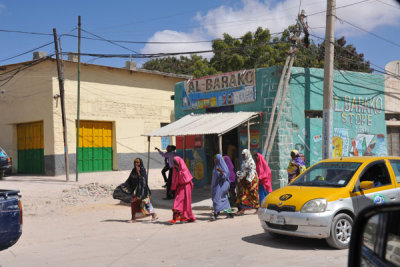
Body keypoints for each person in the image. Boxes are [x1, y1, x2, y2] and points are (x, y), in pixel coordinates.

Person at [126, 158, 158, 223]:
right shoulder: (133, 170)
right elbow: (130, 179)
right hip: (135, 190)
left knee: (146, 202)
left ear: (140, 163)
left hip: (143, 189)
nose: (136, 164)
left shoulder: (142, 170)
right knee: (133, 203)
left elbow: (143, 180)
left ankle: (154, 215)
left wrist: (138, 172)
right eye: (135, 162)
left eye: (138, 162)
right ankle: (133, 218)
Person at [168, 156, 196, 224]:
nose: (175, 164)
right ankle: (183, 217)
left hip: (186, 186)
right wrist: (172, 189)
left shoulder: (184, 169)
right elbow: (174, 180)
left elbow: (184, 179)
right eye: (174, 163)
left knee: (181, 203)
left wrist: (178, 171)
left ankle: (177, 218)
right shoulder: (175, 169)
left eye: (176, 162)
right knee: (179, 202)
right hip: (180, 187)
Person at [235, 149, 259, 215]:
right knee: (242, 193)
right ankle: (242, 209)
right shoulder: (244, 162)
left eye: (244, 155)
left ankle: (257, 208)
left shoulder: (251, 161)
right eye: (242, 155)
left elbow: (252, 171)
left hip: (251, 180)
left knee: (253, 193)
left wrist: (249, 179)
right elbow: (243, 170)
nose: (243, 156)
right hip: (244, 180)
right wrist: (239, 174)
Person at [210, 154, 233, 220]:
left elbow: (226, 175)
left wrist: (221, 172)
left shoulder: (223, 166)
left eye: (215, 159)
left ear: (218, 159)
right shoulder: (216, 166)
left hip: (222, 185)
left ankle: (216, 213)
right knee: (224, 198)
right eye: (214, 159)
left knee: (217, 198)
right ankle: (230, 213)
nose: (214, 160)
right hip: (217, 185)